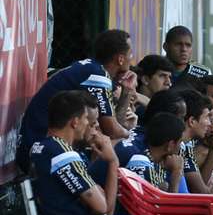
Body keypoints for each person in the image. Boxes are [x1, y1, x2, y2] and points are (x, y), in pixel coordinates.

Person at [17, 30, 136, 172]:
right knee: (115, 148)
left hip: (44, 146)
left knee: (103, 144)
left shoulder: (94, 68)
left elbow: (113, 126)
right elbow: (112, 130)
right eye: (130, 53)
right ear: (120, 59)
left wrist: (127, 92)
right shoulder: (97, 75)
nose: (132, 57)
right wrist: (130, 134)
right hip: (39, 147)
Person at [134, 54, 175, 120]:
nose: (168, 83)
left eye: (169, 77)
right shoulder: (130, 106)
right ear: (145, 79)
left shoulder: (169, 105)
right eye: (162, 76)